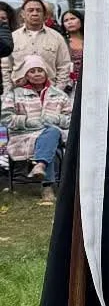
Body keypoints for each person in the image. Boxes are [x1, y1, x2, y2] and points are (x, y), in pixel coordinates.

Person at [1, 54, 71, 205]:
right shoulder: (14, 94)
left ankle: (40, 167)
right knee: (49, 142)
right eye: (32, 71)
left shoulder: (59, 95)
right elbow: (5, 118)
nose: (37, 74)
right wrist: (27, 121)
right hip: (24, 137)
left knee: (52, 132)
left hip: (55, 135)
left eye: (40, 70)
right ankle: (46, 185)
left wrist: (56, 119)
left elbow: (71, 119)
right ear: (26, 74)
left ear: (46, 72)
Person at [9, 0, 69, 91]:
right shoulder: (12, 38)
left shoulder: (57, 38)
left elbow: (64, 67)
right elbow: (5, 69)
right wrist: (9, 93)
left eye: (38, 10)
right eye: (30, 10)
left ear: (44, 15)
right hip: (19, 93)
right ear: (23, 14)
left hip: (49, 93)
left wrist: (57, 91)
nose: (35, 13)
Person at [60, 10, 84, 93]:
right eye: (66, 20)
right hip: (68, 85)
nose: (70, 22)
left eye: (73, 18)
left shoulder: (90, 40)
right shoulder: (61, 42)